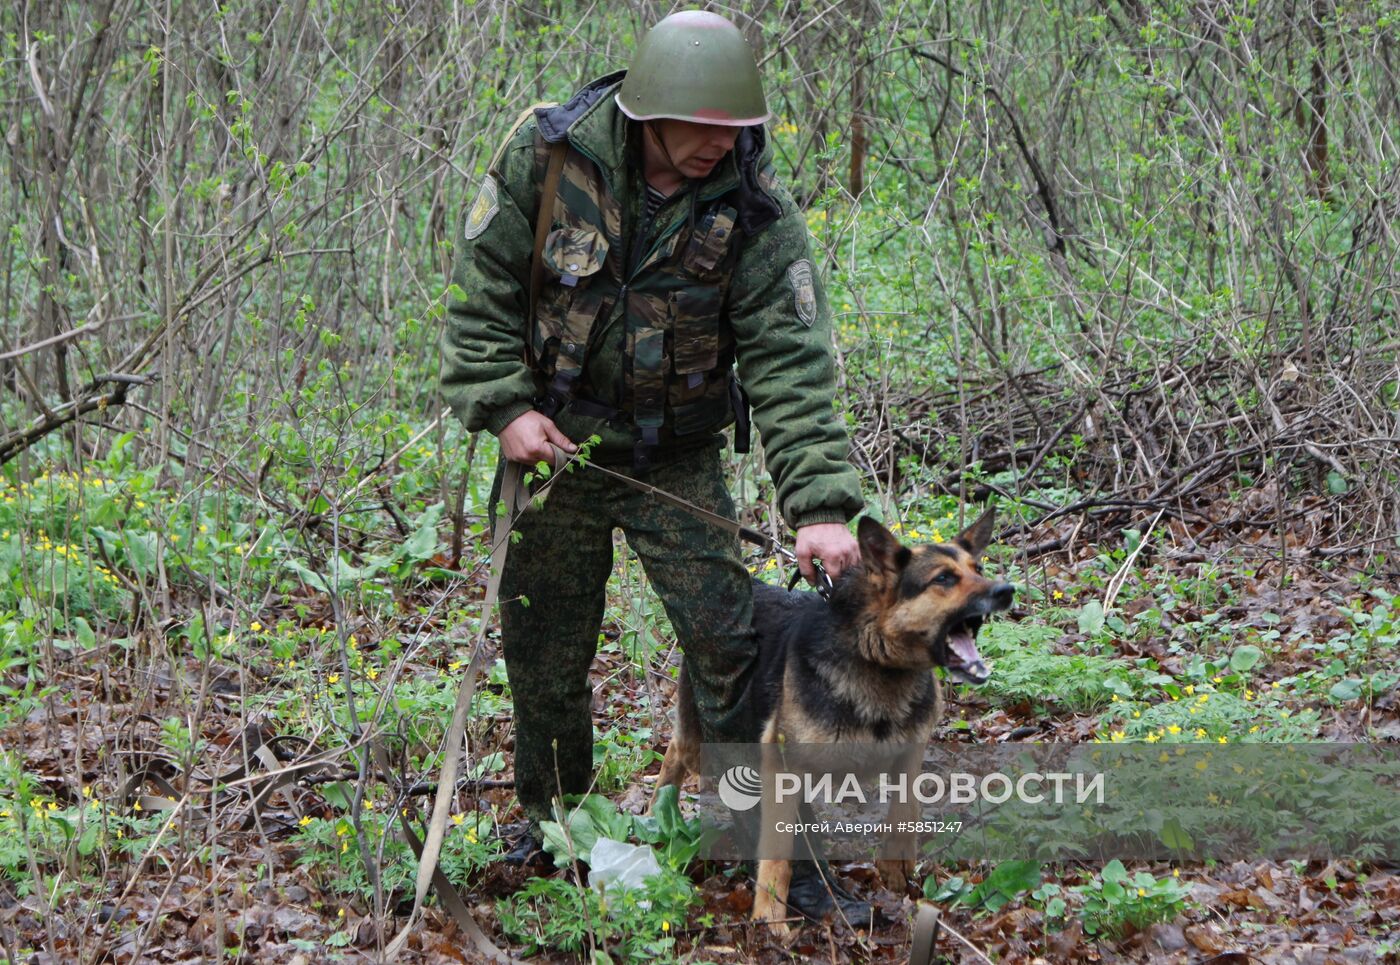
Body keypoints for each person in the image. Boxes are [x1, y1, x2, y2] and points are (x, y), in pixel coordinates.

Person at [439, 9, 866, 913]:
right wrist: (506, 409)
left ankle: (761, 850)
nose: (722, 144)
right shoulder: (547, 157)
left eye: (735, 129)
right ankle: (556, 827)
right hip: (553, 448)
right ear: (650, 114)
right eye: (704, 127)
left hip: (676, 454)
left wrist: (821, 503)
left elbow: (791, 363)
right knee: (544, 651)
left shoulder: (754, 208)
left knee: (728, 645)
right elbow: (479, 300)